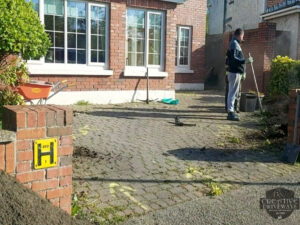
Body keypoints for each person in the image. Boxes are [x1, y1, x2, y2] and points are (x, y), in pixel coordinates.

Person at [226, 28, 253, 121]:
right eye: (242, 36)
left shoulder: (235, 43)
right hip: (234, 72)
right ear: (240, 35)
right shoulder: (234, 43)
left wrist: (243, 71)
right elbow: (233, 59)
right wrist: (245, 61)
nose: (243, 38)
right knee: (232, 93)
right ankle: (230, 112)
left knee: (233, 92)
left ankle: (231, 111)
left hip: (236, 72)